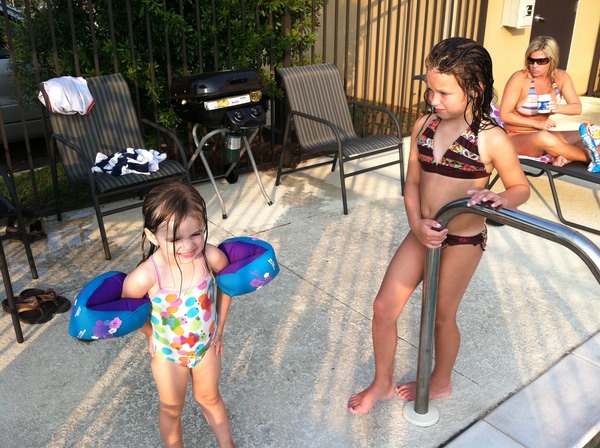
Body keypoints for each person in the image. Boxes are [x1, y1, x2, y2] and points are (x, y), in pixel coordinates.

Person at [347, 37, 530, 414]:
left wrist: (501, 198)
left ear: (475, 89)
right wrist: (416, 224)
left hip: (462, 241)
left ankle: (441, 381)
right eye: (430, 90)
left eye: (444, 93)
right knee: (383, 307)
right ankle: (382, 383)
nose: (434, 100)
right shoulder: (424, 126)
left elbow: (520, 187)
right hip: (422, 231)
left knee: (440, 316)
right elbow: (412, 183)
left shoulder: (490, 138)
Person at [122, 182, 236, 447]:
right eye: (174, 239)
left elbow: (228, 285)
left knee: (210, 398)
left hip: (206, 346)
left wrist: (220, 328)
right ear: (152, 236)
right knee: (172, 408)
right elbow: (129, 313)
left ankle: (228, 444)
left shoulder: (210, 257)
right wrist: (150, 334)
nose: (188, 245)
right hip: (168, 354)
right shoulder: (144, 276)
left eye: (196, 233)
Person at [499, 35, 598, 168]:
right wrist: (537, 124)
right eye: (531, 60)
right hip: (516, 137)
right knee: (544, 138)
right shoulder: (520, 78)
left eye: (541, 61)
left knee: (589, 133)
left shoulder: (561, 77)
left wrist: (556, 108)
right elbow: (504, 115)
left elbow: (577, 108)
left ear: (552, 60)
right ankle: (590, 158)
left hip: (544, 135)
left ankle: (566, 157)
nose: (534, 66)